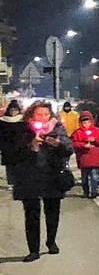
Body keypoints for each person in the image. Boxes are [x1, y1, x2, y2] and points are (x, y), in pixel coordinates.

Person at [9, 101, 73, 261]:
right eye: (39, 114)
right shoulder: (23, 129)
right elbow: (13, 154)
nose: (43, 118)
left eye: (46, 114)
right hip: (29, 177)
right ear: (32, 115)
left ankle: (51, 241)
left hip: (52, 176)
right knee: (31, 214)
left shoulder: (57, 128)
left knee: (52, 211)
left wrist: (57, 145)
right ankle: (33, 249)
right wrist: (32, 146)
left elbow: (68, 149)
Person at [71, 110, 99, 199]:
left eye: (88, 121)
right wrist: (83, 145)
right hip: (84, 158)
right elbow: (74, 143)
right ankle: (86, 192)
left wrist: (94, 140)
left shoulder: (97, 131)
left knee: (94, 176)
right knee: (84, 178)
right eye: (84, 121)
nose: (86, 123)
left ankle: (94, 191)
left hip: (94, 157)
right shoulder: (78, 132)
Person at [0, 98, 25, 188]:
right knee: (9, 166)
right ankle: (11, 182)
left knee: (19, 165)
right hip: (7, 148)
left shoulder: (22, 121)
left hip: (19, 148)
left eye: (15, 110)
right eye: (11, 110)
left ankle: (19, 181)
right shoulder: (3, 121)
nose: (13, 112)